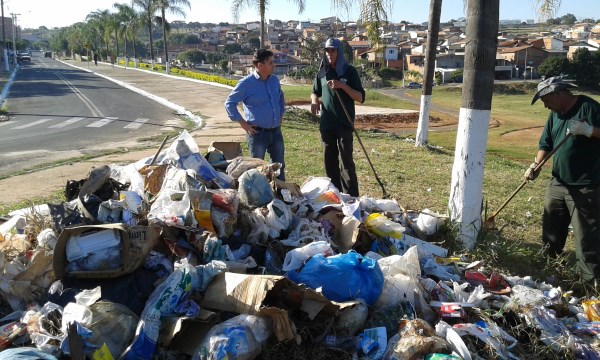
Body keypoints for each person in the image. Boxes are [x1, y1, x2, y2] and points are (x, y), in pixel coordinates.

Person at [526, 76, 600, 282]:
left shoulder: (589, 107)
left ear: (558, 94)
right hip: (558, 182)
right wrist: (536, 165)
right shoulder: (556, 115)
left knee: (586, 238)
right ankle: (548, 274)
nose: (546, 106)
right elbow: (546, 143)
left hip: (586, 185)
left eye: (546, 101)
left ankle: (589, 284)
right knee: (551, 231)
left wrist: (589, 131)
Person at [310, 38, 365, 197]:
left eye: (333, 50)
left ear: (339, 52)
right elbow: (315, 91)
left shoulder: (349, 71)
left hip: (344, 124)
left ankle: (351, 197)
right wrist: (314, 101)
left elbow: (360, 97)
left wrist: (342, 86)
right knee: (330, 163)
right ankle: (335, 196)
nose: (329, 54)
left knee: (346, 163)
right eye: (327, 50)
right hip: (327, 124)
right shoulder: (323, 72)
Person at [224, 49, 286, 180]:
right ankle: (262, 197)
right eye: (270, 63)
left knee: (279, 168)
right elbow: (229, 103)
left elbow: (281, 97)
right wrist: (243, 123)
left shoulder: (274, 80)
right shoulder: (246, 83)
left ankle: (281, 195)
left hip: (276, 133)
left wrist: (280, 114)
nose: (274, 65)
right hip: (258, 135)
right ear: (260, 65)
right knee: (257, 171)